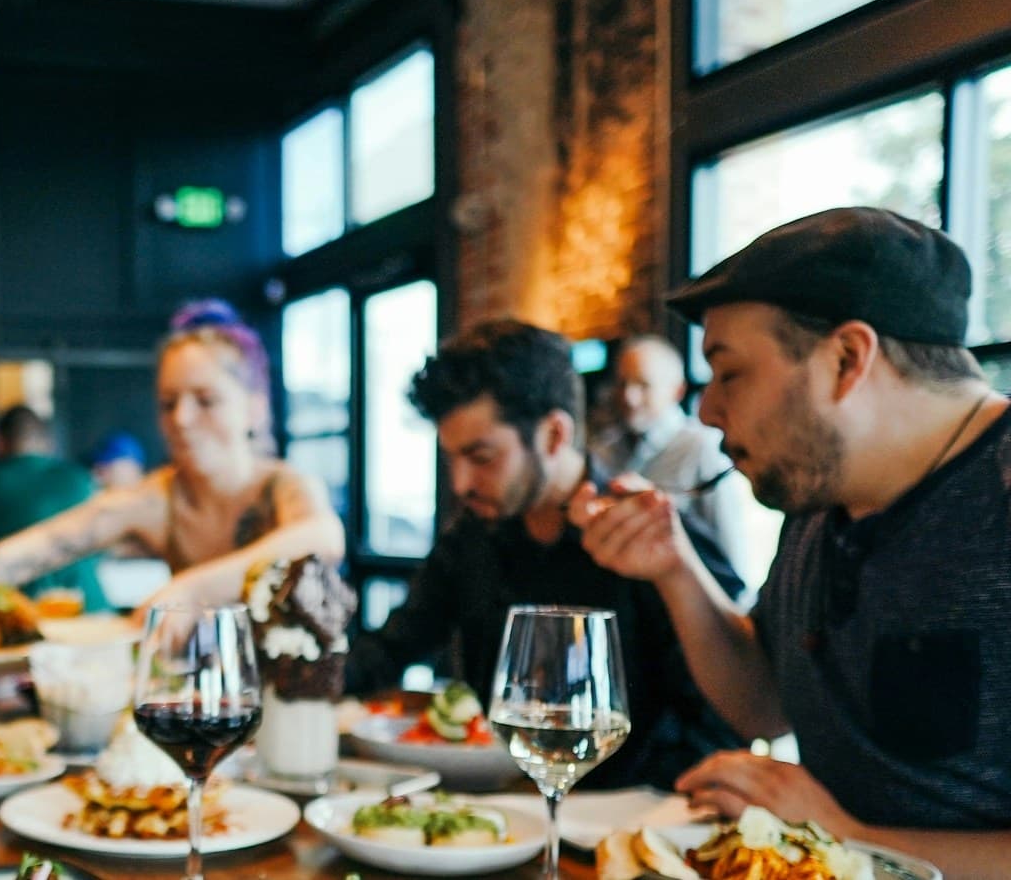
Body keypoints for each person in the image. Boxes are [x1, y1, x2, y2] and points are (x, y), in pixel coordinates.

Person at [572, 207, 1011, 875]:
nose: (706, 410)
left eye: (729, 372)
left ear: (846, 358)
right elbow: (764, 703)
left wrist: (846, 835)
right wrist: (674, 568)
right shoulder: (820, 494)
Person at [343, 320, 746, 790]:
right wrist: (299, 672)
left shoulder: (650, 538)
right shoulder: (471, 539)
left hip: (622, 830)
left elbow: (723, 720)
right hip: (498, 812)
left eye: (482, 457)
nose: (460, 484)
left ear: (554, 435)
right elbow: (391, 648)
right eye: (452, 458)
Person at [0, 300, 344, 634]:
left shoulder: (284, 484)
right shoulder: (158, 498)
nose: (181, 419)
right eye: (168, 403)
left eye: (205, 400)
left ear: (255, 409)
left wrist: (186, 590)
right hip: (208, 703)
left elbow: (322, 539)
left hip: (300, 711)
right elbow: (39, 547)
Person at [589, 335, 753, 577]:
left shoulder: (701, 448)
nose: (629, 397)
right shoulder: (603, 449)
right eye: (622, 384)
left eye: (643, 385)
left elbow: (731, 552)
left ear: (677, 391)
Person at [0, 405, 102, 608]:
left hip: (12, 617)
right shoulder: (81, 479)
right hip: (90, 612)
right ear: (47, 441)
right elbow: (101, 549)